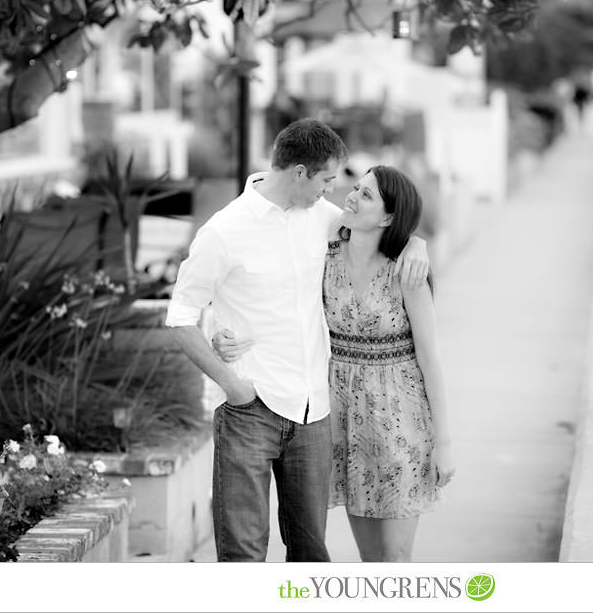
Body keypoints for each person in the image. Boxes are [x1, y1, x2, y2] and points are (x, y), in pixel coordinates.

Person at [166, 119, 429, 562]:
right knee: (244, 553)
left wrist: (416, 243)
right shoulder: (224, 231)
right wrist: (232, 384)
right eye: (327, 179)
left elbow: (384, 228)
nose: (333, 191)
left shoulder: (326, 220)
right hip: (251, 409)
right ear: (300, 173)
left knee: (310, 553)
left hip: (315, 414)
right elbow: (180, 318)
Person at [214, 165, 454, 562]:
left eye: (366, 195)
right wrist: (236, 336)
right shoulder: (324, 255)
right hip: (342, 417)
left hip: (400, 418)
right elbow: (285, 308)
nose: (351, 197)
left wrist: (443, 444)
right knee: (369, 558)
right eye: (355, 188)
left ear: (389, 217)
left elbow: (431, 361)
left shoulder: (406, 271)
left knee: (394, 558)